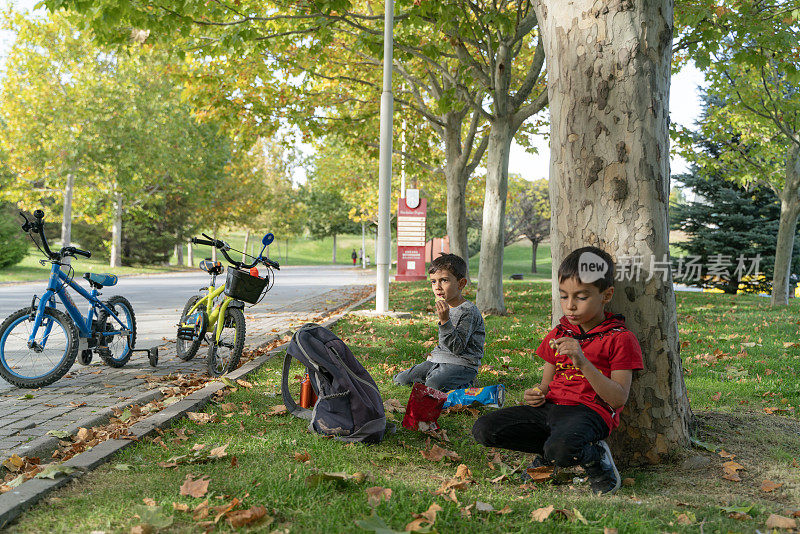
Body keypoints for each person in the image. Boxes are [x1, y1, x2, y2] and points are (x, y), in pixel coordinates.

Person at [471, 246, 643, 495]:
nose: (570, 306)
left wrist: (582, 361)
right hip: (550, 409)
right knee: (484, 429)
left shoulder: (620, 338)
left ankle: (596, 457)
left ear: (606, 295)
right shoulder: (560, 333)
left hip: (589, 412)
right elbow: (545, 385)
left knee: (561, 449)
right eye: (564, 296)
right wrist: (536, 393)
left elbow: (618, 398)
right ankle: (548, 454)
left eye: (581, 297)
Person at [393, 253, 485, 391]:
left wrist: (445, 321)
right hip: (438, 360)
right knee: (401, 380)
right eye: (433, 281)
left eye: (444, 280)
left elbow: (457, 348)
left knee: (433, 385)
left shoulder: (468, 311)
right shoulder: (446, 305)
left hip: (462, 364)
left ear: (461, 283)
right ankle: (435, 376)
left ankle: (467, 382)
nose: (437, 287)